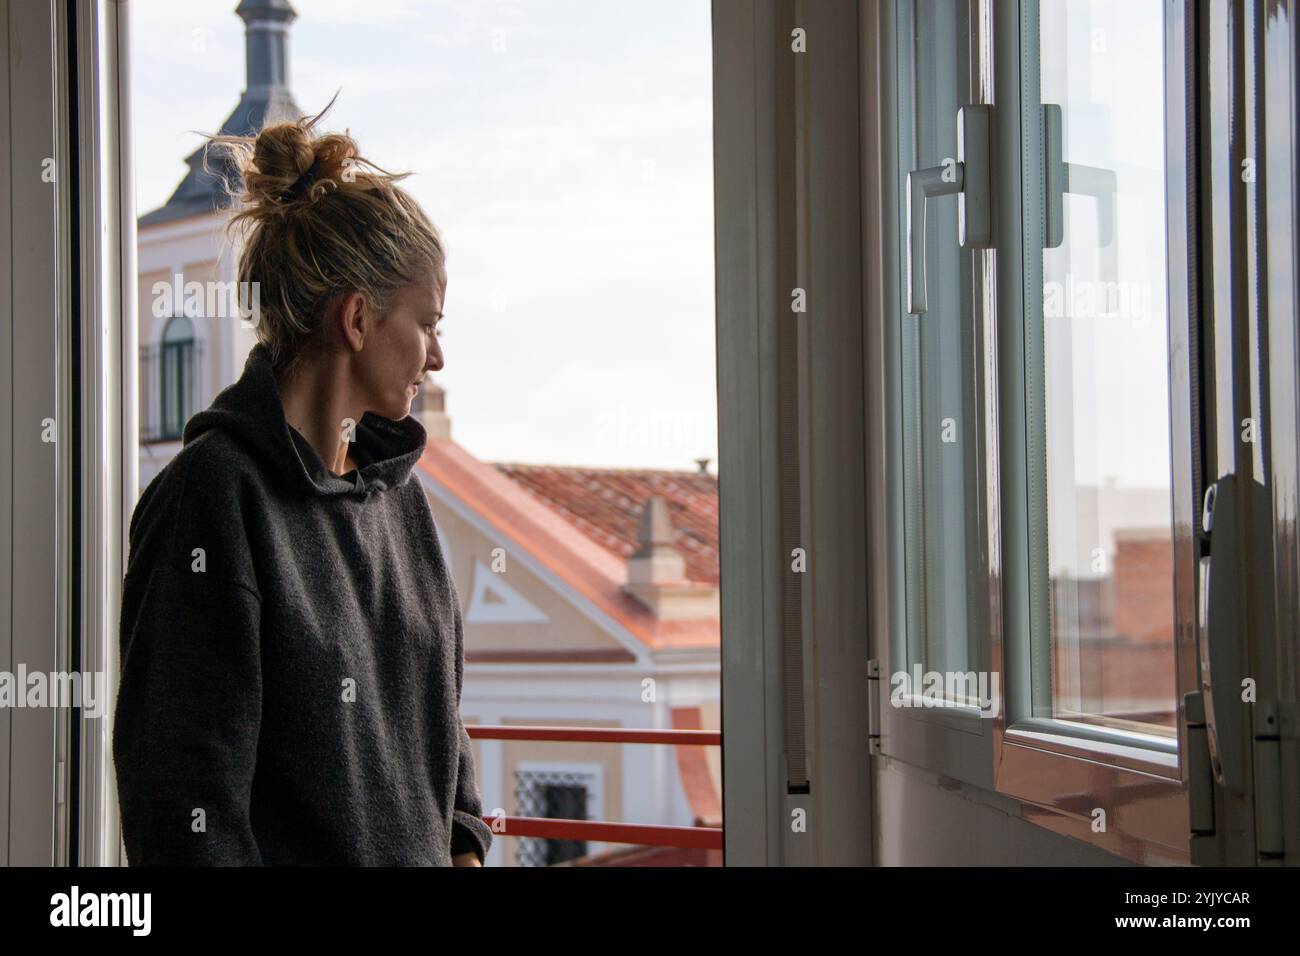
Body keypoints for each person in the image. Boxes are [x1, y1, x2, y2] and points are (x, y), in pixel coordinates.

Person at [112, 100, 492, 866]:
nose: (438, 356)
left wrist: (466, 848)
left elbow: (442, 746)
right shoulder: (212, 497)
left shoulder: (403, 501)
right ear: (356, 319)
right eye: (429, 323)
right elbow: (184, 808)